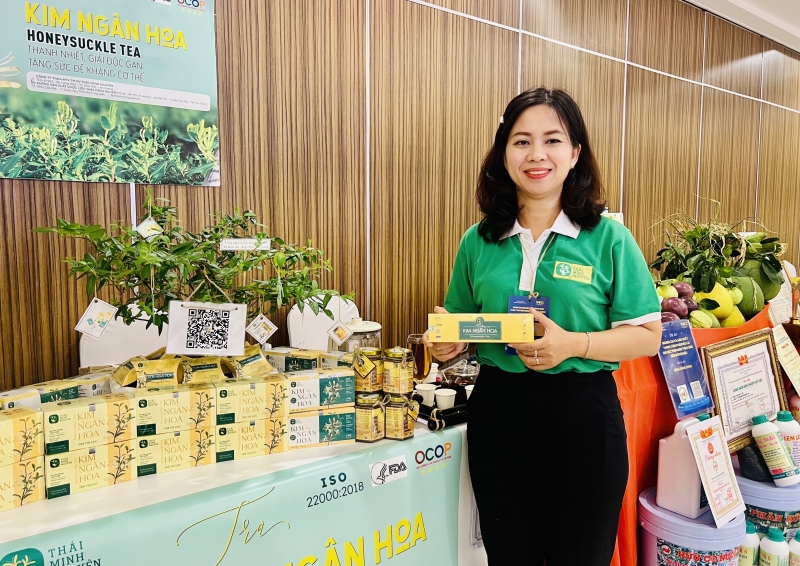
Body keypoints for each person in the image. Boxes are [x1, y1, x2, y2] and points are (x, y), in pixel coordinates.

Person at [424, 87, 662, 565]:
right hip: (500, 414)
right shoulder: (478, 240)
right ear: (504, 154)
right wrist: (447, 345)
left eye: (552, 140)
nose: (537, 154)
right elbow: (461, 327)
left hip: (584, 417)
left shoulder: (609, 238)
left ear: (574, 153)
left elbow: (647, 334)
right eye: (521, 141)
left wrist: (573, 344)